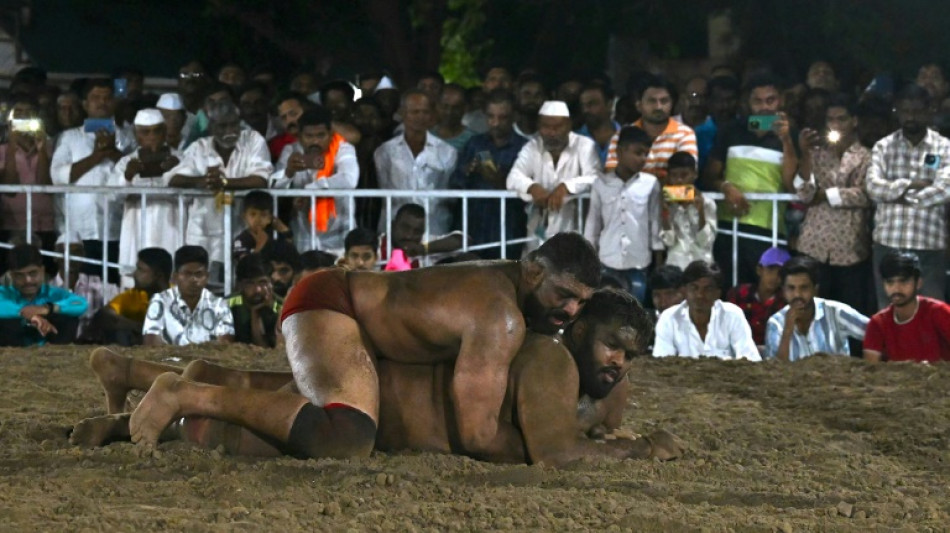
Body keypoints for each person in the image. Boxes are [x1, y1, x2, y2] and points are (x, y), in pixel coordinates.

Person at [122, 232, 603, 464]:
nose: (570, 312)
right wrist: (550, 447)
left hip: (344, 305)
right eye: (564, 296)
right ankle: (185, 396)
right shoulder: (502, 316)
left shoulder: (502, 282)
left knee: (312, 402)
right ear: (535, 273)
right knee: (345, 437)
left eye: (581, 303)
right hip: (334, 302)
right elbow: (477, 435)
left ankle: (134, 373)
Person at [74, 288, 684, 464]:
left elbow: (573, 435)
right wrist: (639, 452)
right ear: (575, 333)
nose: (618, 364)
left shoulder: (597, 379)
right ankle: (173, 395)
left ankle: (130, 390)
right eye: (611, 349)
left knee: (265, 394)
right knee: (287, 435)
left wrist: (614, 435)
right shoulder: (546, 354)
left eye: (629, 358)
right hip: (366, 372)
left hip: (376, 370)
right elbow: (553, 453)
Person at [702, 72, 798, 286]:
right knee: (729, 292)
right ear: (748, 103)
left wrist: (786, 140)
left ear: (781, 101)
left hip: (769, 230)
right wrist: (725, 187)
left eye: (770, 100)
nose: (764, 107)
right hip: (729, 227)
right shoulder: (731, 130)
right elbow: (709, 176)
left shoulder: (791, 134)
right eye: (758, 101)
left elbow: (791, 183)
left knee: (768, 295)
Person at [866, 84, 950, 309]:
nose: (911, 116)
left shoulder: (944, 147)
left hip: (929, 245)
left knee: (933, 315)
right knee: (889, 313)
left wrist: (898, 196)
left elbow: (945, 190)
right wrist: (912, 185)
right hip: (888, 243)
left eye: (917, 110)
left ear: (929, 110)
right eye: (905, 110)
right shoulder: (883, 147)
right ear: (897, 112)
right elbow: (873, 188)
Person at [165, 101, 273, 271]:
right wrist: (203, 181)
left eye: (233, 125)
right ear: (211, 127)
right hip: (202, 232)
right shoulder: (199, 147)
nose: (229, 131)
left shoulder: (253, 140)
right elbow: (173, 179)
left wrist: (224, 183)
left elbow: (260, 179)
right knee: (202, 281)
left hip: (243, 232)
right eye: (223, 126)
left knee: (241, 280)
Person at [51, 78, 137, 283]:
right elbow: (58, 177)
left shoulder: (128, 137)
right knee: (84, 286)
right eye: (95, 98)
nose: (102, 102)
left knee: (116, 285)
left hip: (118, 229)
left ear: (115, 102)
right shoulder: (69, 137)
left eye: (107, 97)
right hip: (80, 231)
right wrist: (97, 156)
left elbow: (138, 174)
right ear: (85, 104)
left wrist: (113, 152)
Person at [795, 93, 873, 314]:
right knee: (813, 310)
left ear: (854, 121)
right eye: (831, 120)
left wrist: (828, 195)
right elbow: (805, 194)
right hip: (814, 244)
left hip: (850, 246)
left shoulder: (866, 156)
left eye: (842, 119)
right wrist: (805, 153)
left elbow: (865, 194)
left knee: (850, 313)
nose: (836, 125)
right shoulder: (817, 154)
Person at [584, 126, 661, 302]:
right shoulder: (601, 184)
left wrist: (658, 262)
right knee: (606, 310)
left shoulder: (651, 184)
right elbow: (593, 225)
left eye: (645, 154)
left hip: (639, 262)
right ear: (620, 151)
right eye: (637, 153)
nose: (642, 159)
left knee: (635, 312)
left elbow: (655, 225)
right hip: (607, 261)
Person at [507, 100, 600, 248]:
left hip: (575, 233)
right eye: (546, 127)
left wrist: (566, 187)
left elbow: (595, 178)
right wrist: (532, 187)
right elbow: (513, 177)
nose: (551, 133)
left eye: (557, 127)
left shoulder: (584, 145)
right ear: (539, 127)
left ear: (569, 125)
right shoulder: (532, 146)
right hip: (538, 235)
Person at [269, 106, 358, 255]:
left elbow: (349, 179)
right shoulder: (291, 151)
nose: (315, 141)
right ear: (299, 136)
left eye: (321, 135)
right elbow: (273, 187)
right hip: (304, 238)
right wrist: (289, 172)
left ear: (331, 134)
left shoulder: (343, 148)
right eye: (309, 136)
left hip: (339, 239)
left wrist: (310, 190)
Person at [450, 89, 529, 259]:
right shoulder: (474, 144)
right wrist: (467, 171)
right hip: (473, 227)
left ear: (514, 117)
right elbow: (454, 183)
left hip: (509, 229)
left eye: (502, 117)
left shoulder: (526, 148)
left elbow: (529, 192)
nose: (495, 123)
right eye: (491, 116)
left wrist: (502, 180)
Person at [111, 108, 183, 287]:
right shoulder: (126, 163)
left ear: (165, 132)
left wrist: (175, 172)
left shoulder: (182, 159)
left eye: (157, 131)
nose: (152, 137)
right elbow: (113, 198)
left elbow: (194, 199)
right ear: (136, 135)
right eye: (145, 132)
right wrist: (127, 177)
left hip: (170, 235)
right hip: (136, 238)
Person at [375, 90, 458, 237]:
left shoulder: (447, 151)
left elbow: (448, 192)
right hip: (394, 228)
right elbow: (384, 189)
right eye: (415, 112)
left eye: (425, 112)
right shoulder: (385, 151)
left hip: (434, 228)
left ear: (432, 115)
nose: (420, 117)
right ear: (403, 113)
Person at [764, 255, 869, 361]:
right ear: (783, 291)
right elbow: (775, 370)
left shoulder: (836, 312)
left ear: (815, 289)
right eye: (791, 288)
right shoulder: (776, 324)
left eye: (804, 287)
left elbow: (876, 332)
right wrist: (787, 331)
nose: (797, 295)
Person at [653, 260, 760, 360]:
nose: (700, 295)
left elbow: (750, 360)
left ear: (717, 293)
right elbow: (662, 364)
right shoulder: (669, 319)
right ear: (684, 291)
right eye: (694, 288)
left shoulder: (732, 315)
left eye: (707, 289)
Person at [605, 75, 698, 182]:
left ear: (672, 104)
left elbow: (687, 177)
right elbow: (611, 176)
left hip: (671, 197)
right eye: (652, 101)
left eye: (664, 101)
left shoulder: (685, 134)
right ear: (638, 105)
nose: (658, 107)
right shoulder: (622, 134)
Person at [863, 251, 950, 363]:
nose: (896, 289)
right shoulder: (877, 324)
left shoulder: (939, 312)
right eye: (890, 282)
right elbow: (870, 370)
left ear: (918, 283)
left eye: (903, 281)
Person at [0, 94, 56, 265]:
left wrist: (41, 151)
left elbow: (44, 183)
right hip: (11, 225)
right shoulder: (2, 150)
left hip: (45, 224)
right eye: (18, 113)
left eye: (29, 113)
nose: (23, 117)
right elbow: (10, 188)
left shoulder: (51, 147)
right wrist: (11, 146)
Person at [142, 245, 234, 346]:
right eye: (187, 274)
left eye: (199, 274)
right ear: (175, 276)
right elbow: (151, 345)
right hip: (166, 361)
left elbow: (225, 348)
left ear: (207, 277)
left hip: (207, 361)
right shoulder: (160, 301)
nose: (193, 280)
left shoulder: (219, 306)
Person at [0, 244, 88, 346]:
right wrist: (30, 316)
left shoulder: (52, 293)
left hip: (51, 351)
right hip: (12, 352)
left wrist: (47, 309)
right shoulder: (4, 292)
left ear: (42, 271)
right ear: (11, 276)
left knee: (68, 318)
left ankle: (58, 354)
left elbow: (81, 303)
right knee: (8, 321)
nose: (27, 280)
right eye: (20, 275)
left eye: (33, 273)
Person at [94, 248, 172, 346]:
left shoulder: (178, 299)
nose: (134, 274)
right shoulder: (136, 295)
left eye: (141, 270)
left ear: (159, 276)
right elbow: (105, 314)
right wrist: (135, 326)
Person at [660, 151, 717, 269]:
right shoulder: (667, 204)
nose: (679, 180)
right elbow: (669, 242)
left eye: (684, 175)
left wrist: (701, 212)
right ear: (669, 177)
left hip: (702, 266)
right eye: (674, 175)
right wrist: (665, 214)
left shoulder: (708, 203)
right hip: (675, 266)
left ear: (694, 174)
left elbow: (706, 241)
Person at [725, 247, 789, 347]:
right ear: (759, 270)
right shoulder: (738, 293)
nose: (775, 277)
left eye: (780, 273)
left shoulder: (785, 302)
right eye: (770, 269)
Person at [380, 204, 463, 269]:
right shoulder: (377, 245)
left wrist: (423, 249)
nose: (409, 236)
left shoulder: (424, 243)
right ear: (393, 225)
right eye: (405, 228)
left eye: (417, 231)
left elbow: (462, 240)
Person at [228, 254, 281, 348]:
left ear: (271, 283)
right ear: (240, 285)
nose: (258, 290)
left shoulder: (282, 307)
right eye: (250, 284)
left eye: (263, 282)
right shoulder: (227, 305)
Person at [231, 190, 292, 264]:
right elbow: (245, 266)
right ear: (244, 217)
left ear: (270, 219)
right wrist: (261, 243)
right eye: (253, 214)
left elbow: (288, 256)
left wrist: (285, 231)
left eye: (263, 215)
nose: (257, 220)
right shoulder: (242, 240)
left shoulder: (273, 236)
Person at [576, 84, 620, 167]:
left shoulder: (628, 137)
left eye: (592, 104)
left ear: (609, 105)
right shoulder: (574, 140)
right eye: (583, 105)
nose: (585, 110)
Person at [432, 83, 476, 151]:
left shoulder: (474, 140)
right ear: (437, 106)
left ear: (465, 108)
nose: (449, 112)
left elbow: (486, 160)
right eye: (445, 107)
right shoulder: (425, 135)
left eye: (456, 108)